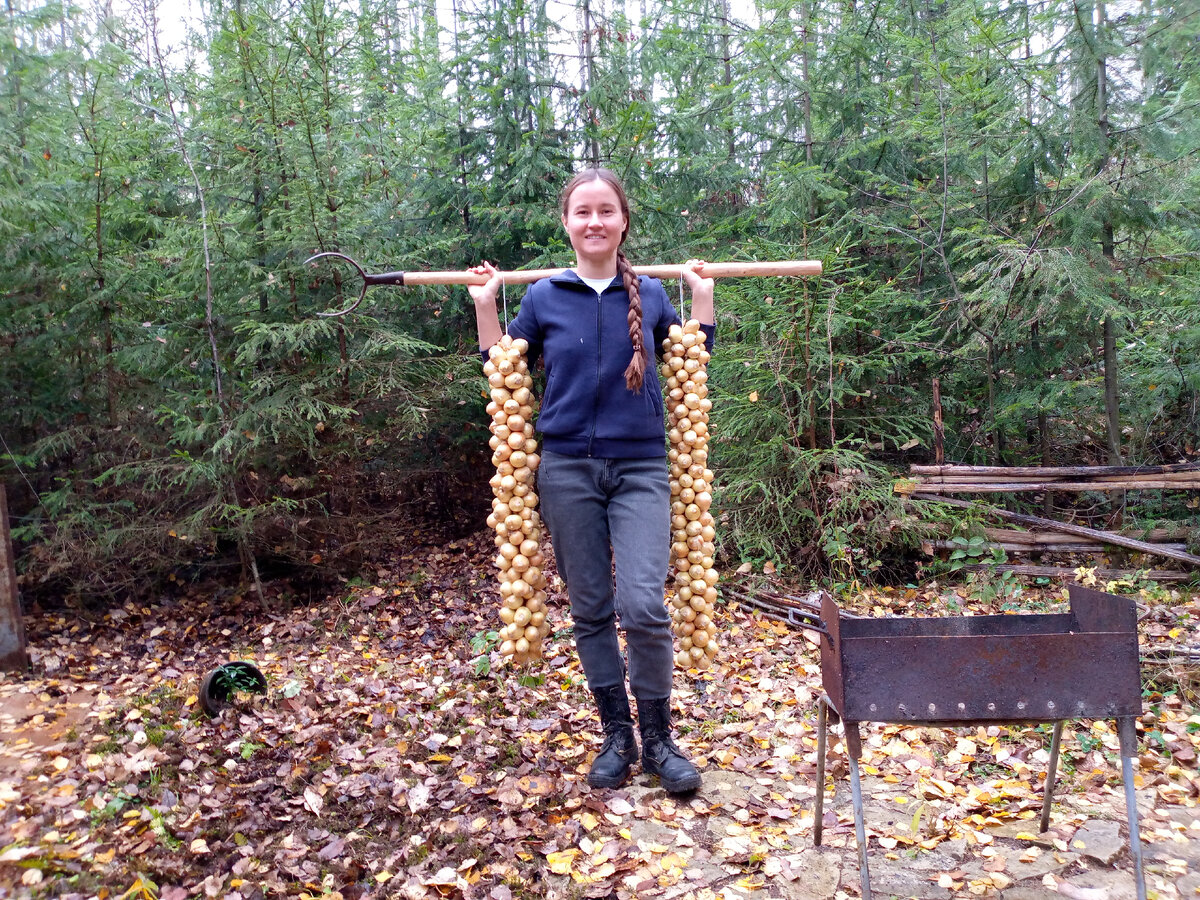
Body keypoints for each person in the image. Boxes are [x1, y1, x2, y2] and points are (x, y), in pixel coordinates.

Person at [469, 167, 714, 793]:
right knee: (591, 609)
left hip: (641, 468)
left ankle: (660, 738)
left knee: (643, 603)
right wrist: (486, 306)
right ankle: (616, 736)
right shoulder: (545, 297)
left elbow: (692, 355)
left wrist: (702, 297)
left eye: (606, 210)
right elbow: (501, 364)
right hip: (566, 470)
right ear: (567, 224)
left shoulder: (654, 295)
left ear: (622, 221)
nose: (595, 221)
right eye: (583, 212)